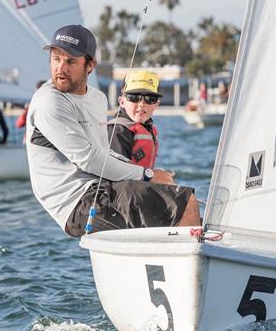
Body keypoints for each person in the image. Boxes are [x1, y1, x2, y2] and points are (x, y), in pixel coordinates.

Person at [26, 24, 200, 238]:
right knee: (185, 203)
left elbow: (102, 151)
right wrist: (147, 175)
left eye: (70, 61)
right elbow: (89, 159)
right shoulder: (48, 101)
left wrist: (154, 176)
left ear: (90, 65)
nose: (60, 68)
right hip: (78, 204)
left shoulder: (97, 98)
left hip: (101, 190)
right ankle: (190, 269)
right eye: (56, 58)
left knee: (187, 198)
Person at [107, 70, 161, 168]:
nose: (142, 104)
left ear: (156, 104)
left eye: (150, 99)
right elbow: (118, 173)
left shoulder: (148, 128)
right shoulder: (118, 130)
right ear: (122, 102)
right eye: (134, 97)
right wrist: (152, 177)